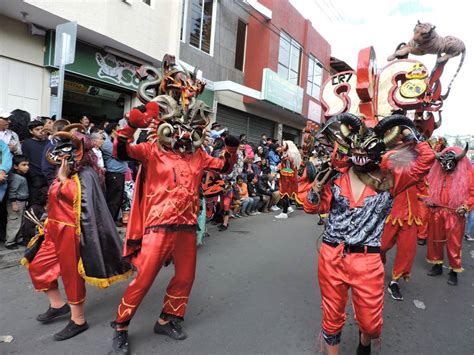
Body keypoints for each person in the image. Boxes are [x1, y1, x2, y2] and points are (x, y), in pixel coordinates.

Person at [109, 73, 239, 353]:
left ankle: (167, 319)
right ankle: (121, 325)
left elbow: (225, 168)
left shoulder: (198, 155)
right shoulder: (152, 150)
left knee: (185, 277)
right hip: (159, 226)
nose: (182, 134)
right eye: (175, 127)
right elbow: (120, 151)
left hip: (187, 227)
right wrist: (131, 125)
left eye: (188, 128)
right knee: (144, 279)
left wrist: (231, 148)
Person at [303, 114, 434, 355]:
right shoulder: (336, 177)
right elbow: (312, 207)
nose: (361, 151)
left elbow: (426, 160)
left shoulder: (390, 179)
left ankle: (364, 344)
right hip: (332, 256)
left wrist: (408, 132)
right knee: (332, 318)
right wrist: (317, 186)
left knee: (371, 325)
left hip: (367, 261)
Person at [22, 127, 131, 341]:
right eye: (60, 148)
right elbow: (54, 199)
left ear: (80, 151)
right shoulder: (65, 172)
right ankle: (57, 305)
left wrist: (63, 180)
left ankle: (78, 320)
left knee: (72, 275)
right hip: (53, 230)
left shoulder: (87, 174)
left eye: (69, 149)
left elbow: (79, 202)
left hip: (72, 233)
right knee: (37, 265)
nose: (62, 154)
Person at [425, 144, 474, 285]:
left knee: (454, 244)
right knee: (434, 240)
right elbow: (429, 187)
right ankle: (437, 265)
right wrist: (430, 200)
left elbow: (472, 193)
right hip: (436, 211)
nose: (445, 168)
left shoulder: (467, 174)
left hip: (454, 214)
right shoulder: (438, 171)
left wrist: (465, 207)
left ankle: (454, 271)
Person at [381, 182, 426, 300]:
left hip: (411, 217)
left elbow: (423, 193)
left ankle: (394, 282)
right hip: (392, 214)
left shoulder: (418, 170)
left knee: (406, 251)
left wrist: (422, 217)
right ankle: (377, 266)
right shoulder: (391, 166)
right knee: (381, 246)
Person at [102, 122, 128, 226]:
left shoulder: (112, 142)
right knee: (113, 199)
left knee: (118, 198)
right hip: (114, 174)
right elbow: (122, 155)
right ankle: (109, 222)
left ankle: (113, 219)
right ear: (113, 130)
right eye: (118, 128)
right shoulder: (107, 144)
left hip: (118, 174)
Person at [22, 120, 49, 207]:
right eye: (37, 129)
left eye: (42, 129)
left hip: (47, 177)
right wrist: (32, 175)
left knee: (47, 203)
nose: (41, 131)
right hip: (34, 178)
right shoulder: (27, 143)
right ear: (31, 131)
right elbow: (25, 160)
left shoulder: (49, 143)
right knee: (34, 203)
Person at [5, 155, 29, 249]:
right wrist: (14, 204)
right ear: (15, 166)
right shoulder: (16, 178)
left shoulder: (20, 176)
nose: (27, 167)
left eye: (27, 165)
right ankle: (10, 242)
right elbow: (12, 191)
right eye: (23, 165)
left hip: (22, 202)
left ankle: (18, 239)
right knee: (14, 222)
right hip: (16, 203)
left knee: (20, 221)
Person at [275, 141, 301, 219]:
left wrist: (279, 169)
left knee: (284, 195)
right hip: (290, 180)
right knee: (286, 195)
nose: (281, 147)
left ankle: (284, 213)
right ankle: (288, 208)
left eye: (283, 145)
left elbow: (288, 171)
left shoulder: (287, 158)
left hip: (286, 180)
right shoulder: (289, 156)